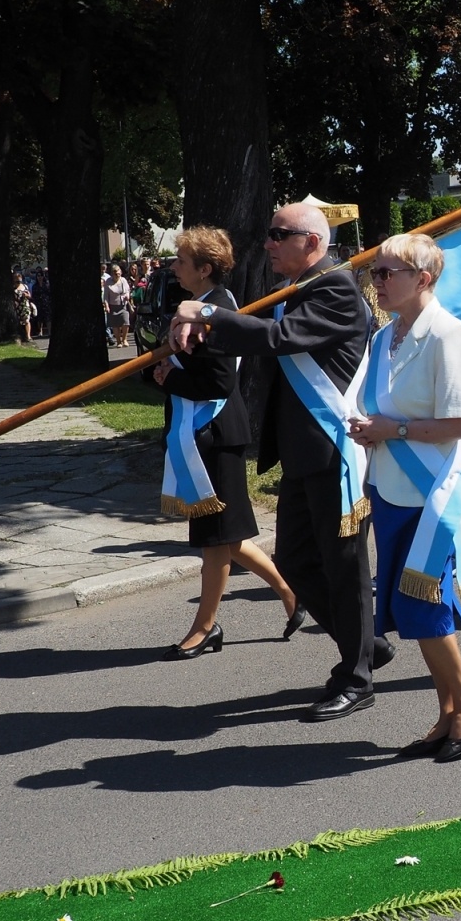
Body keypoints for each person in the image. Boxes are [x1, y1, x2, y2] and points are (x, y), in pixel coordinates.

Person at [172, 202, 393, 723]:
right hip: (301, 454)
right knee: (294, 560)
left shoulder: (334, 289)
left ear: (311, 242)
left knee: (345, 570)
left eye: (279, 234)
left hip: (333, 453)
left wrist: (205, 313)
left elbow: (277, 340)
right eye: (269, 234)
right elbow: (253, 332)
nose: (267, 243)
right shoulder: (300, 289)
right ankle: (365, 644)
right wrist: (196, 324)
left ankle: (355, 677)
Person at [346, 233, 461, 761]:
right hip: (391, 489)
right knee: (413, 609)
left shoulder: (451, 336)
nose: (376, 283)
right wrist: (371, 429)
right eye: (375, 273)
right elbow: (380, 406)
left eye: (386, 273)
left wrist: (393, 430)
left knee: (424, 604)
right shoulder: (388, 335)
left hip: (434, 491)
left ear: (422, 279)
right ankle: (451, 706)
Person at [150, 226, 303, 660]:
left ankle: (204, 627)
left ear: (205, 269)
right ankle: (291, 593)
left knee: (214, 538)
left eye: (181, 261)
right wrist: (159, 373)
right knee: (227, 536)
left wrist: (170, 378)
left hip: (216, 433)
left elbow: (219, 381)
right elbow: (173, 362)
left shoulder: (215, 311)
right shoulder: (201, 306)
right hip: (206, 433)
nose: (175, 267)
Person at [103, 263, 132, 348]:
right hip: (113, 306)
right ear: (112, 273)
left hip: (123, 305)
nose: (117, 273)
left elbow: (128, 291)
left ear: (121, 272)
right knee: (115, 325)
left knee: (126, 322)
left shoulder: (123, 280)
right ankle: (119, 341)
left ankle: (124, 339)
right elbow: (106, 296)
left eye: (118, 271)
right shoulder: (108, 282)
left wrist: (127, 295)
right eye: (115, 272)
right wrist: (107, 306)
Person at [12, 270, 34, 344]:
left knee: (27, 320)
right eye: (16, 280)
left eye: (19, 280)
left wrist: (27, 296)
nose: (18, 281)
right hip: (17, 307)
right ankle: (20, 336)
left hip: (25, 306)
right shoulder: (13, 288)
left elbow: (30, 296)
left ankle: (28, 336)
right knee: (19, 322)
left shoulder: (25, 286)